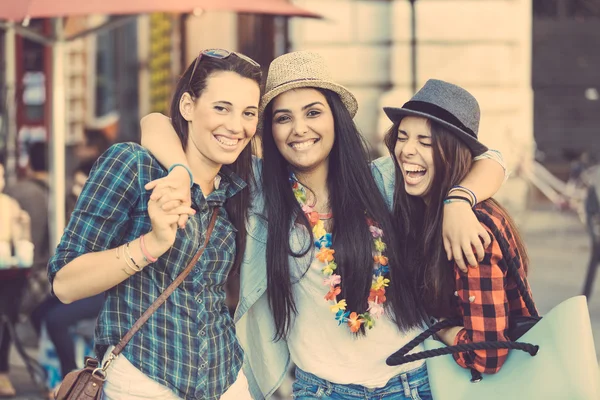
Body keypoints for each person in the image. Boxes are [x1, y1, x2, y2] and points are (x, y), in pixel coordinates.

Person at [140, 51, 507, 399]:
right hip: (321, 390)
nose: (299, 129)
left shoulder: (383, 181)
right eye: (283, 118)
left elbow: (492, 158)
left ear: (335, 119)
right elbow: (154, 122)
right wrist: (178, 172)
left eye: (312, 113)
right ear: (268, 131)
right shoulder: (260, 193)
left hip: (412, 384)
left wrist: (459, 200)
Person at [48, 49, 262, 400]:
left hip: (226, 379)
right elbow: (64, 284)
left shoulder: (241, 186)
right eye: (221, 107)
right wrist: (151, 244)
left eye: (248, 113)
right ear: (188, 107)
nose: (236, 126)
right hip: (144, 378)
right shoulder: (134, 166)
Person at [383, 79, 537, 374]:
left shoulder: (471, 231)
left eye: (425, 142)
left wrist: (442, 330)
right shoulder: (422, 207)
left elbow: (486, 355)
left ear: (453, 152)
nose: (406, 151)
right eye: (402, 137)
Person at [6, 142, 51, 316]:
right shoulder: (67, 189)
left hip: (27, 279)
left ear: (30, 162)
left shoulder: (17, 192)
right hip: (52, 276)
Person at [0, 155, 32, 398]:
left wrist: (24, 224)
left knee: (7, 321)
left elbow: (20, 241)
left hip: (8, 272)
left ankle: (3, 372)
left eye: (1, 176)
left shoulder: (10, 204)